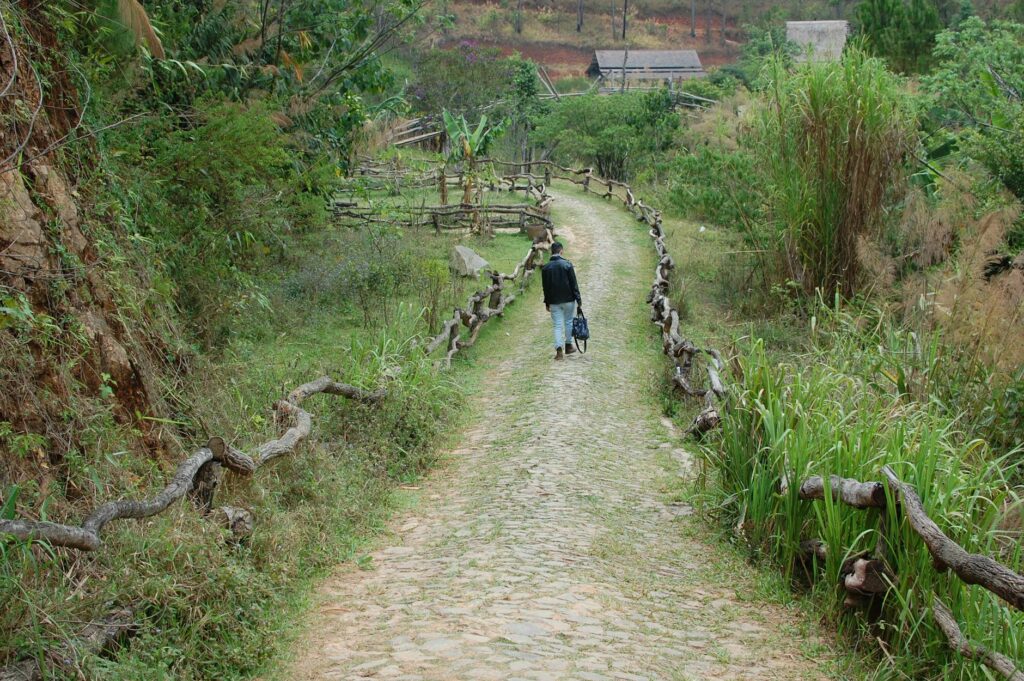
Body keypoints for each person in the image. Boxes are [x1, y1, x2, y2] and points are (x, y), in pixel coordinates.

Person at [541, 241, 582, 360]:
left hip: (554, 301)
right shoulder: (567, 265)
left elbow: (545, 288)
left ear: (551, 252)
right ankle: (568, 346)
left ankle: (559, 350)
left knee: (557, 325)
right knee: (568, 322)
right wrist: (578, 300)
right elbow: (574, 284)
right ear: (561, 251)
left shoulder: (545, 268)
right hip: (569, 299)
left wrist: (547, 302)